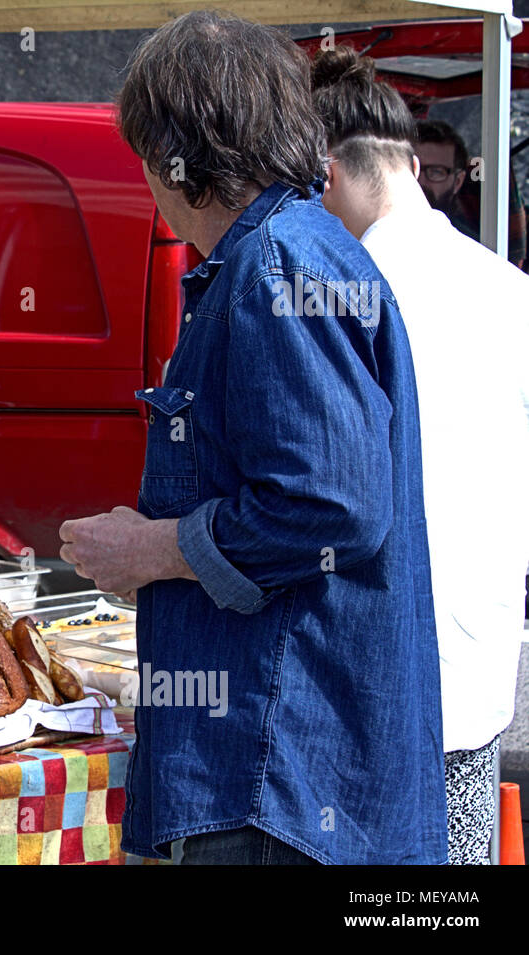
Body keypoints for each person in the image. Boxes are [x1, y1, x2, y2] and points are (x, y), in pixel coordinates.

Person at [59, 11, 446, 865]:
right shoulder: (292, 250)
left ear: (175, 159)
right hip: (291, 767)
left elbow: (333, 506)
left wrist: (155, 548)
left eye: (143, 159)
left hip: (281, 776)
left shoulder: (275, 263)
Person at [313, 47, 529, 864]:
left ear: (326, 173)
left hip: (366, 685)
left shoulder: (335, 299)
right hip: (475, 684)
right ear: (409, 161)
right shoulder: (508, 288)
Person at [415, 119, 526, 269]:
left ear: (458, 182)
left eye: (436, 172)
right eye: (413, 167)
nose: (419, 180)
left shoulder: (474, 253)